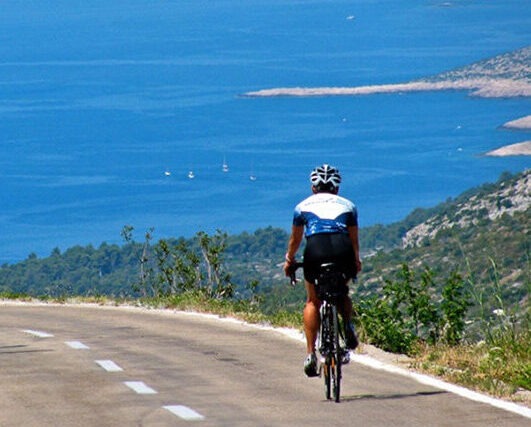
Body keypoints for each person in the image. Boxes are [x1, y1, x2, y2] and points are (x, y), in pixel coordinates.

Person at [283, 164, 362, 377]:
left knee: (312, 301)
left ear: (313, 187)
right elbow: (354, 240)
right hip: (342, 249)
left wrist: (289, 261)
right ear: (336, 188)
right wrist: (356, 261)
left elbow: (295, 240)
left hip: (315, 251)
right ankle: (347, 325)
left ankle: (310, 354)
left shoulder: (302, 207)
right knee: (342, 292)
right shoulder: (349, 206)